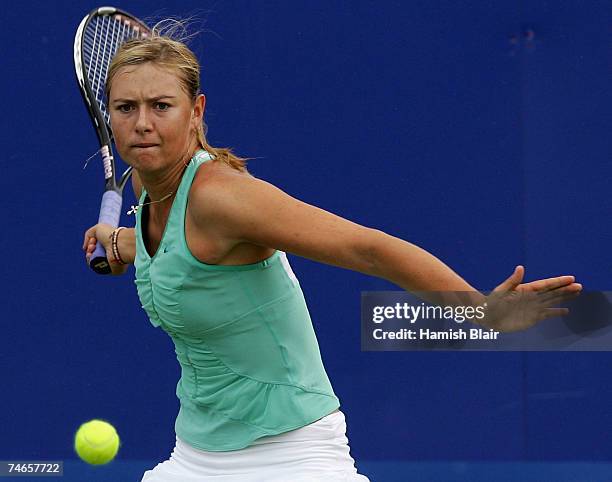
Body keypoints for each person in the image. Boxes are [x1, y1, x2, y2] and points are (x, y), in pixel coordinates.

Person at [82, 28, 581, 482]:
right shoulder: (151, 200)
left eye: (161, 106)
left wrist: (480, 311)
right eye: (126, 108)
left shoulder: (221, 197)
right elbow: (188, 261)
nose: (142, 123)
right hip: (195, 457)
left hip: (291, 457)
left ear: (196, 113)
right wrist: (128, 245)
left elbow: (365, 247)